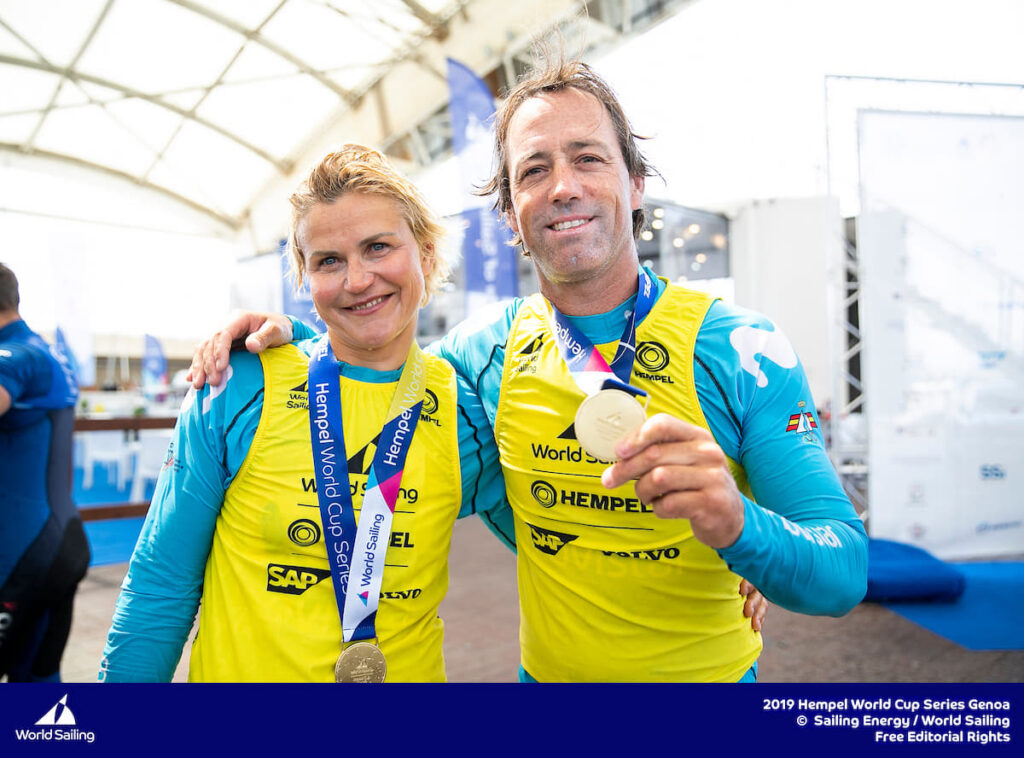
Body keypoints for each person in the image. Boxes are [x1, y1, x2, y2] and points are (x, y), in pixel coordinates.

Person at [195, 61, 855, 685]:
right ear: (511, 212)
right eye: (534, 169)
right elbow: (372, 372)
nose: (562, 185)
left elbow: (841, 571)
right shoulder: (484, 354)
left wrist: (744, 528)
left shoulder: (740, 347)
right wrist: (294, 338)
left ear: (635, 183)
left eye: (588, 157)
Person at [99, 145, 514, 682]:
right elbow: (161, 582)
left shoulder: (464, 410)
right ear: (304, 277)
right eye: (329, 261)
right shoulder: (238, 385)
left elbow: (568, 550)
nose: (357, 280)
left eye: (378, 247)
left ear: (427, 254)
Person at [0, 262, 90, 683]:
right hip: (51, 543)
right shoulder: (40, 351)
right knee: (36, 683)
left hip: (24, 556)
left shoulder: (18, 356)